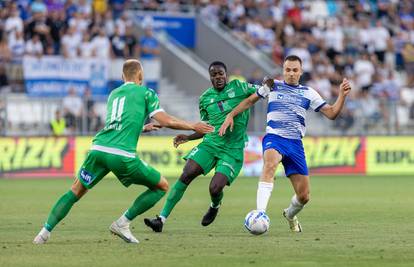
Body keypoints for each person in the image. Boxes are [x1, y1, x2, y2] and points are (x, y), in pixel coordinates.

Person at [33, 59, 214, 244]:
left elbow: (116, 124)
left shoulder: (114, 94)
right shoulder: (146, 93)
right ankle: (123, 223)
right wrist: (193, 125)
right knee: (162, 186)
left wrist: (142, 128)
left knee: (75, 191)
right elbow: (166, 120)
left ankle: (43, 233)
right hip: (121, 155)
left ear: (122, 76)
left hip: (98, 150)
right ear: (141, 75)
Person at [219, 55, 351, 232]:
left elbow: (332, 113)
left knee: (304, 196)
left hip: (295, 144)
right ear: (283, 70)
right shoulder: (273, 86)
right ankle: (260, 213)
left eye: (295, 70)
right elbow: (250, 101)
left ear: (301, 72)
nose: (291, 73)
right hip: (275, 137)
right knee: (270, 164)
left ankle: (289, 214)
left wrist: (342, 95)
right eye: (288, 69)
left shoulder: (309, 93)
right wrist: (230, 115)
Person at [144, 61, 259, 232]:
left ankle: (214, 205)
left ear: (226, 75)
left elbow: (260, 92)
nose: (218, 77)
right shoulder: (205, 99)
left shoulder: (240, 87)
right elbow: (206, 127)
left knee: (215, 187)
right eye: (214, 75)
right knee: (187, 173)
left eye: (221, 74)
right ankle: (161, 219)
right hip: (210, 144)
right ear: (210, 77)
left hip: (232, 149)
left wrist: (268, 85)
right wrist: (189, 137)